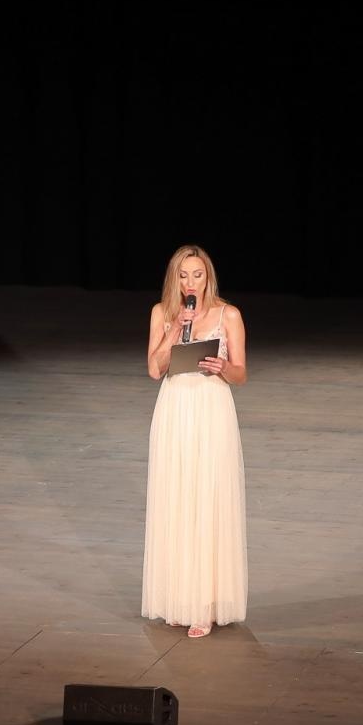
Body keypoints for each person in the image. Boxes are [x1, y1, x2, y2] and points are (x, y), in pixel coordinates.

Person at [141, 244, 249, 638]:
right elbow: (155, 369)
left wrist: (223, 367)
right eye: (184, 275)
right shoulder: (162, 313)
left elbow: (241, 374)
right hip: (174, 408)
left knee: (206, 500)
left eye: (197, 275)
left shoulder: (228, 314)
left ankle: (205, 604)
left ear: (208, 277)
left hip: (211, 409)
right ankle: (178, 599)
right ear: (175, 279)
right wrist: (175, 328)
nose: (191, 283)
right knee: (177, 499)